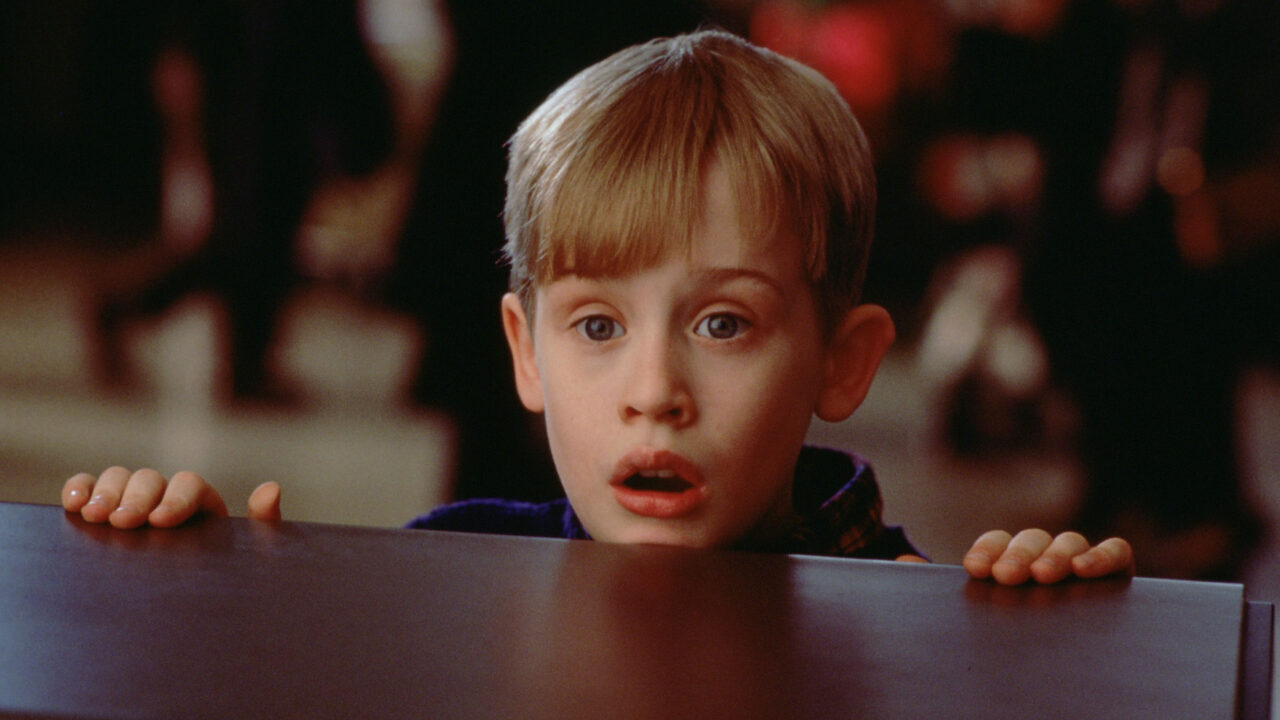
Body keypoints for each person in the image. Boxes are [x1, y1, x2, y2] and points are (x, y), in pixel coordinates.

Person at [61, 30, 1133, 586]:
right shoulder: (444, 573)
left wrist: (1041, 640)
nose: (653, 393)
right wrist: (203, 594)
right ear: (525, 354)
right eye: (597, 326)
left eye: (723, 324)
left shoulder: (919, 613)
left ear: (841, 362)